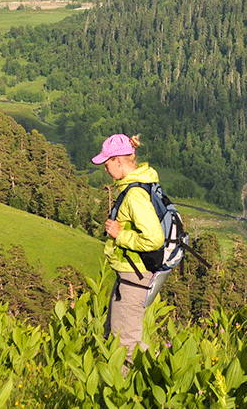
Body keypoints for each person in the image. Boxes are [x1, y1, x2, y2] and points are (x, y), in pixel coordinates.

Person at [92, 132, 165, 358]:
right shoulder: (141, 186)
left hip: (134, 275)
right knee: (114, 337)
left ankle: (135, 389)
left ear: (119, 161)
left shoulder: (134, 195)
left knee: (125, 345)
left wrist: (119, 235)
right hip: (129, 274)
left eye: (107, 163)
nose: (105, 168)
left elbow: (154, 238)